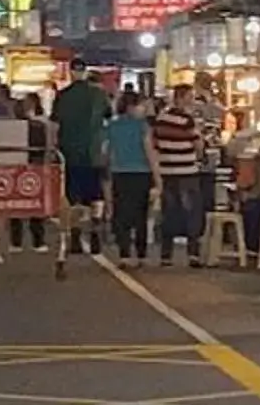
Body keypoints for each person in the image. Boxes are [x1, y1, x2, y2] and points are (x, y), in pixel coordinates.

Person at [51, 66, 114, 253]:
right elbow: (109, 117)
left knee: (73, 197)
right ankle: (95, 228)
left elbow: (55, 125)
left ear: (71, 72)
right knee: (96, 194)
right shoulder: (98, 94)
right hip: (93, 151)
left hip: (69, 152)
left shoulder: (63, 96)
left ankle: (76, 234)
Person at [149, 82, 210, 264]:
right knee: (192, 213)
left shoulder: (160, 118)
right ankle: (193, 254)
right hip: (187, 171)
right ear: (181, 98)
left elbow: (155, 144)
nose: (192, 101)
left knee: (169, 212)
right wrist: (200, 156)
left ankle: (166, 255)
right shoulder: (187, 120)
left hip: (167, 171)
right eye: (190, 98)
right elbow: (198, 145)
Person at [105, 87, 154, 261]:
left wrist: (108, 175)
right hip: (141, 174)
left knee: (122, 214)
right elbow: (150, 152)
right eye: (141, 105)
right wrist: (158, 176)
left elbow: (108, 152)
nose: (144, 109)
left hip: (120, 173)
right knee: (141, 214)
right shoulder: (143, 126)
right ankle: (141, 254)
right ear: (131, 107)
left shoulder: (113, 126)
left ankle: (124, 253)